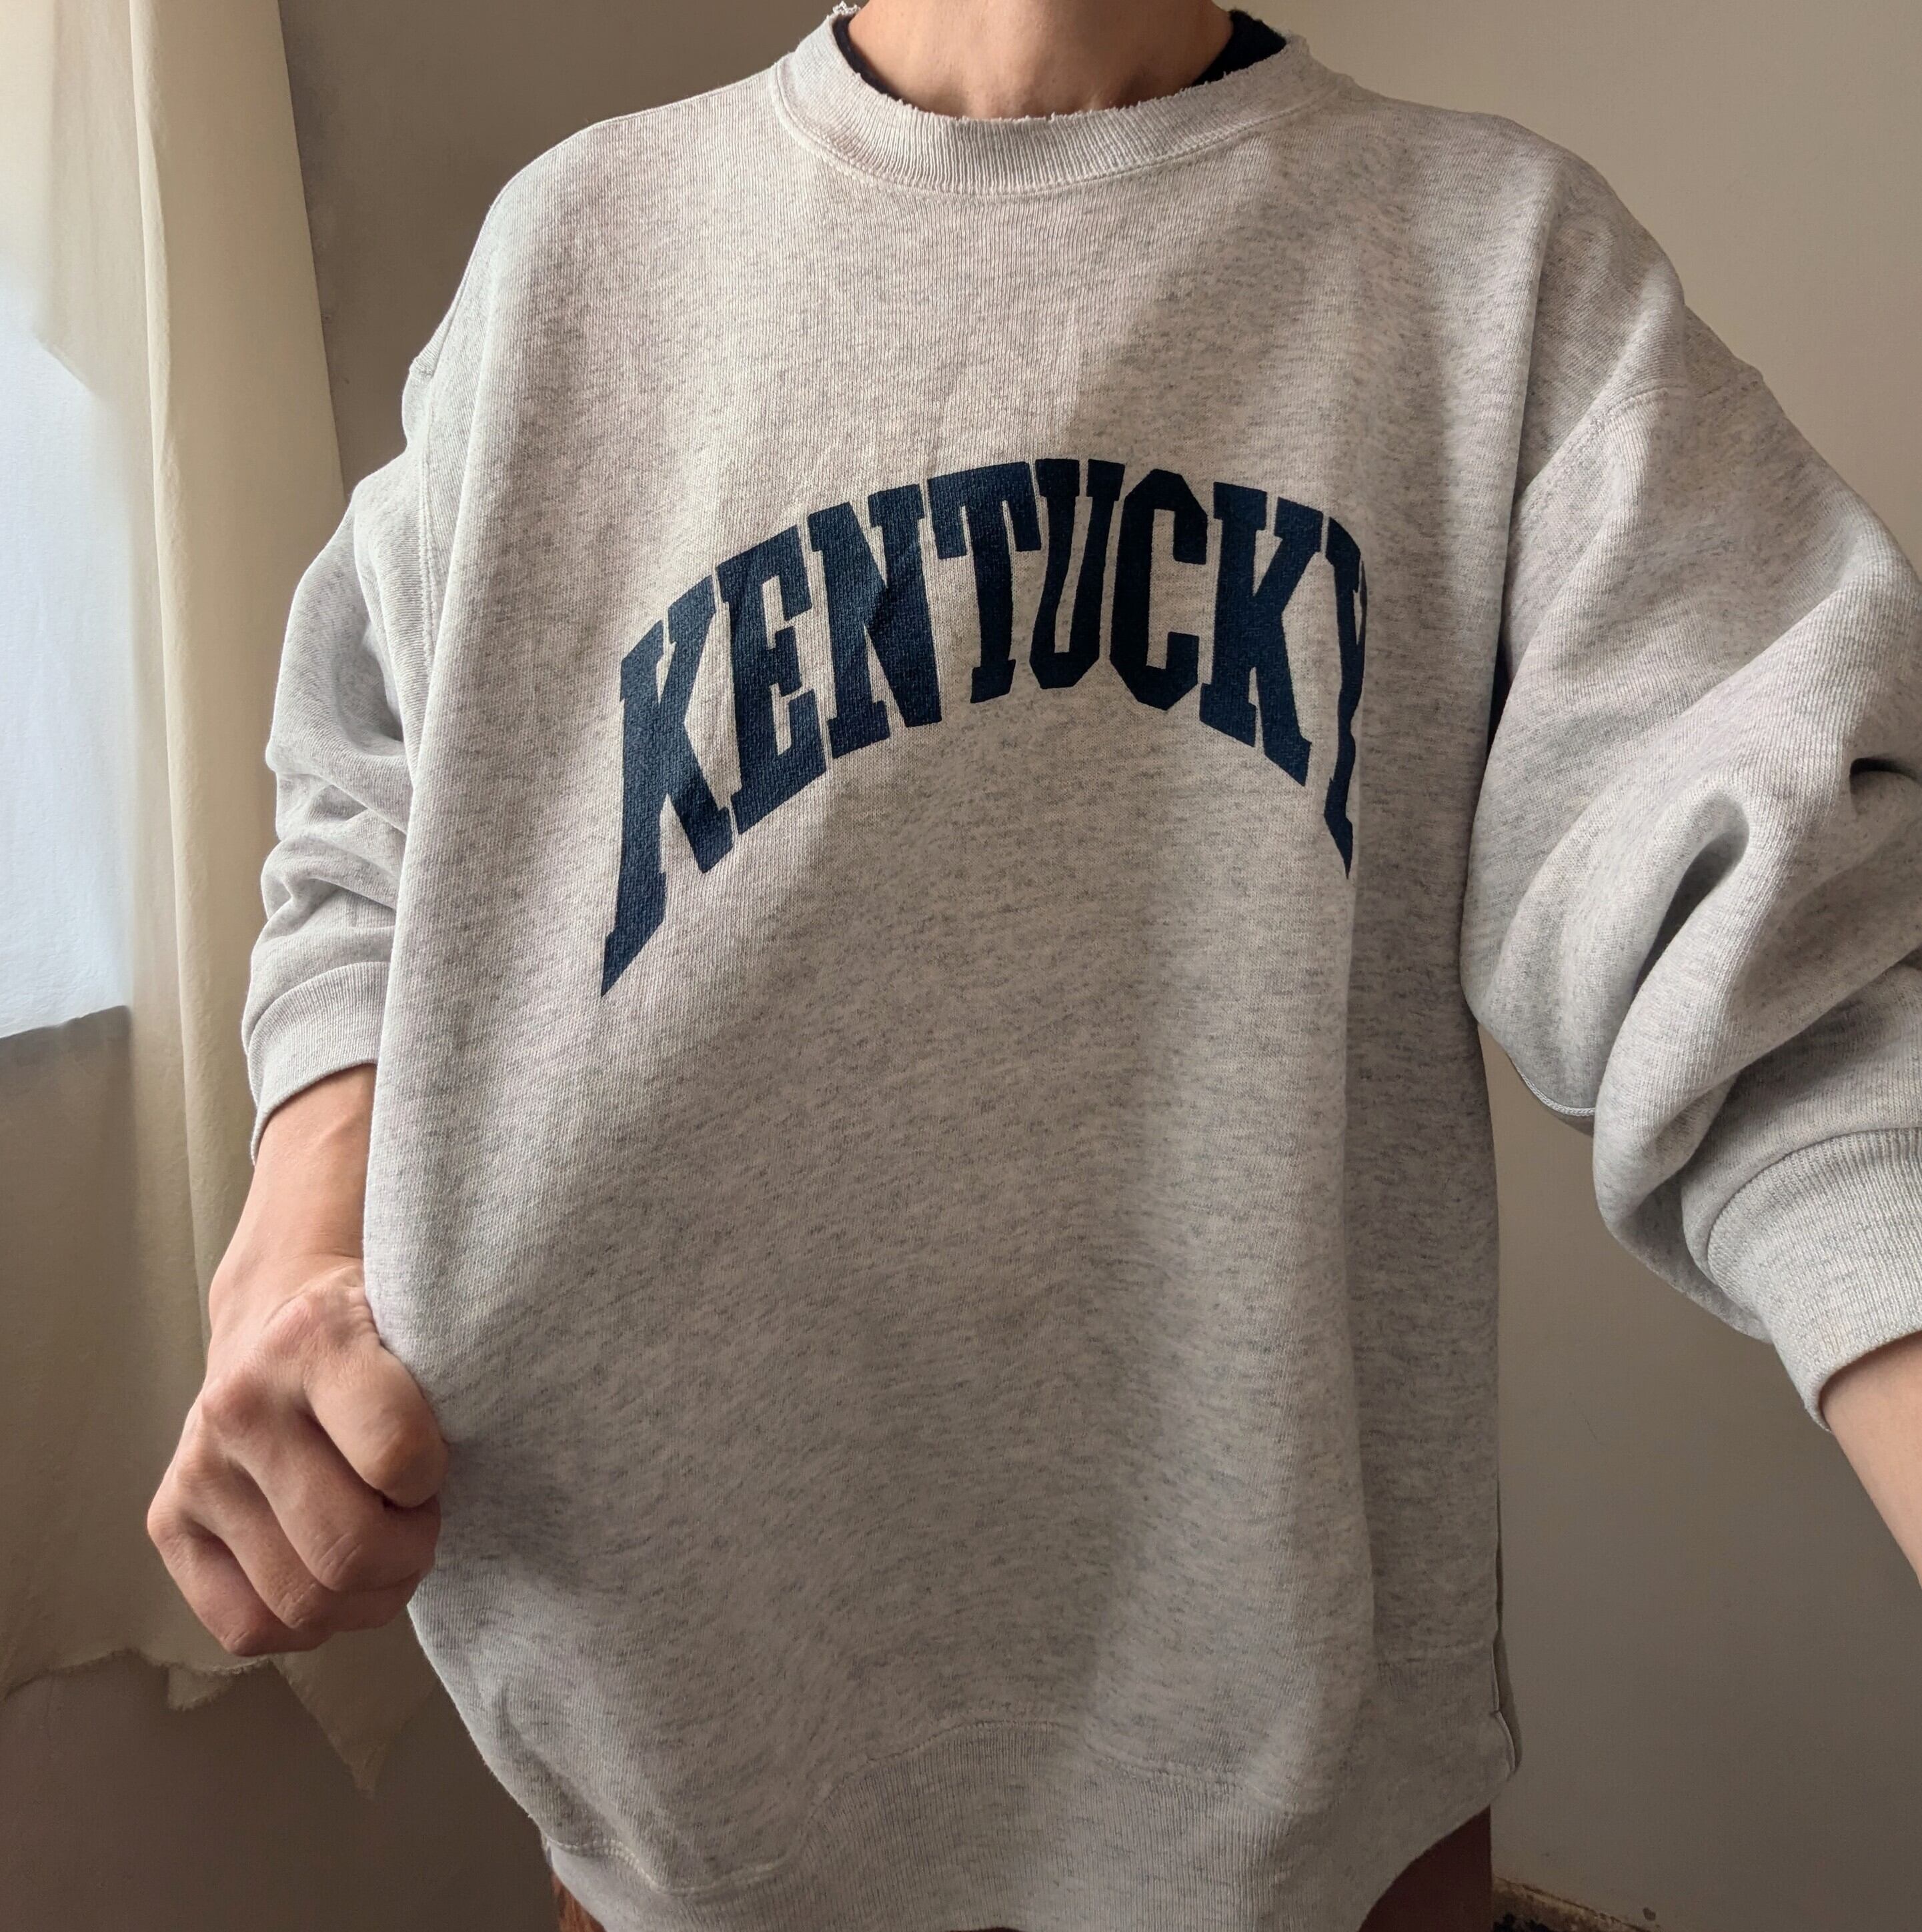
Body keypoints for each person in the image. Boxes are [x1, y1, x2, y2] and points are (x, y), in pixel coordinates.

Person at [146, 3, 1922, 1929]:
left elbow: (1807, 984)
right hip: (684, 1780)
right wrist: (301, 1227)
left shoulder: (1492, 273)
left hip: (1293, 1794)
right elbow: (376, 783)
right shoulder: (576, 251)